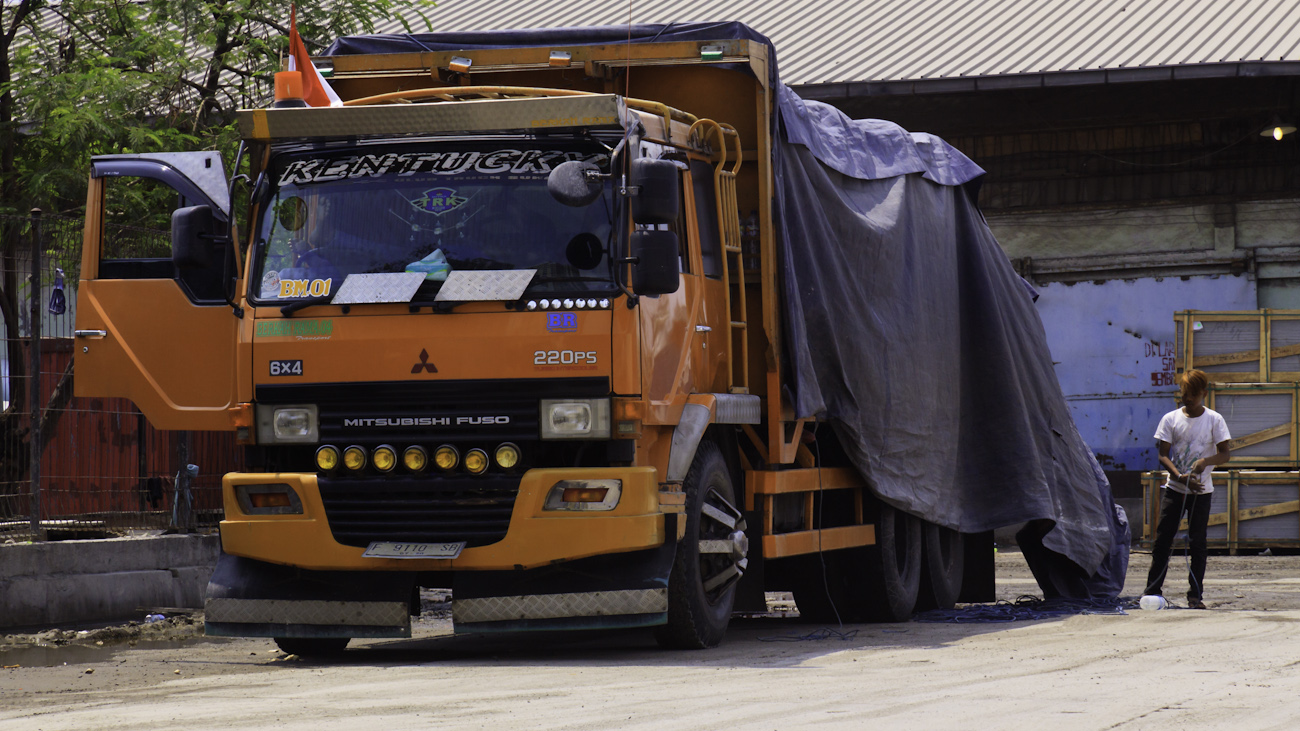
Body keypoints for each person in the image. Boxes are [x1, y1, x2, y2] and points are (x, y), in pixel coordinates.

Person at [1143, 369, 1231, 609]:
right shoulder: (1171, 419)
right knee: (1162, 541)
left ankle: (1195, 596)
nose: (1188, 398)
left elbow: (1225, 454)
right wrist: (1180, 477)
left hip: (1201, 492)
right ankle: (1152, 593)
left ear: (1203, 393)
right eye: (1185, 393)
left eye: (1193, 394)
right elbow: (1163, 455)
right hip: (1174, 490)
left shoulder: (1214, 420)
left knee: (1198, 544)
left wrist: (1205, 462)